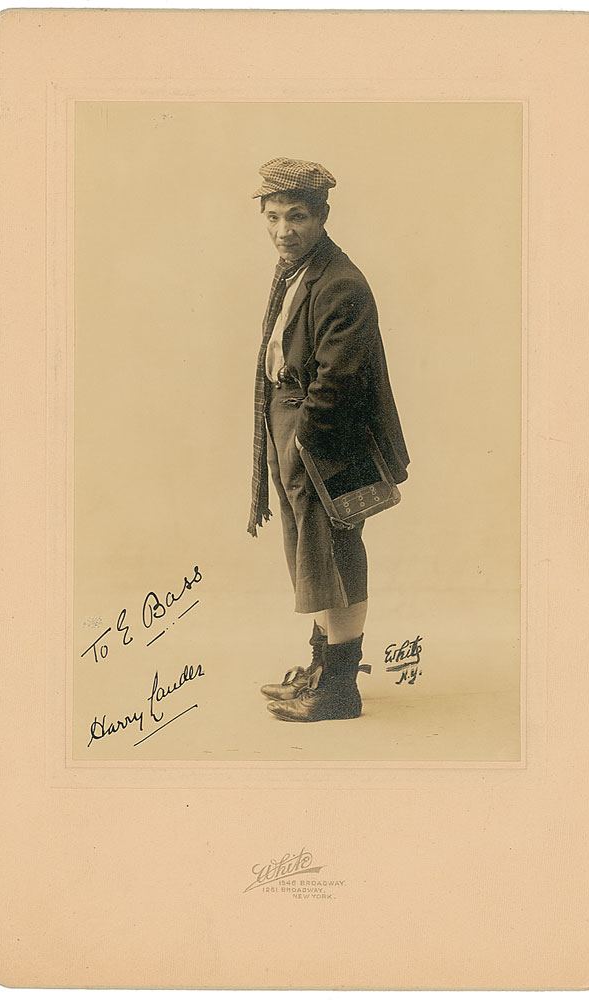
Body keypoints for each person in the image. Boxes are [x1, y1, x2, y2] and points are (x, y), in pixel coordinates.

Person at [248, 156, 410, 723]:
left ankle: (339, 688)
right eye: (273, 217)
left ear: (322, 216)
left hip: (325, 437)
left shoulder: (340, 282)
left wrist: (301, 441)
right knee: (312, 552)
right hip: (292, 424)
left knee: (336, 553)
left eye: (297, 216)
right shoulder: (297, 271)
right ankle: (322, 668)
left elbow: (338, 381)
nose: (284, 230)